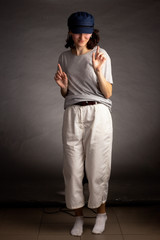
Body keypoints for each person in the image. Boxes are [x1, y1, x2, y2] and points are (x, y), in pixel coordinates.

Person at [54, 11, 113, 236]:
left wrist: (98, 71)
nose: (82, 37)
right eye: (78, 32)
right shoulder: (64, 57)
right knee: (72, 169)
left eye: (87, 32)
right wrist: (63, 86)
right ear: (70, 31)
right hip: (72, 114)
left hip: (98, 113)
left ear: (92, 32)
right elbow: (67, 94)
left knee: (97, 166)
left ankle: (101, 214)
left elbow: (107, 93)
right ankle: (78, 218)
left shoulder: (100, 54)